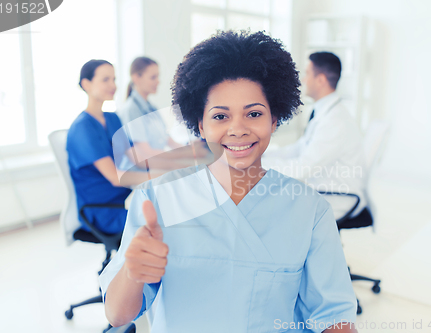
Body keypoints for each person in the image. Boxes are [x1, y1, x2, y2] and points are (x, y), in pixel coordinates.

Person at [100, 32, 358, 332]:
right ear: (200, 125)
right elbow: (117, 316)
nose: (237, 129)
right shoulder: (156, 200)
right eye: (220, 116)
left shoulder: (310, 212)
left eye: (254, 113)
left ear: (274, 119)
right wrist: (133, 272)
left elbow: (334, 318)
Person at [263, 51, 366, 220]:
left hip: (338, 196)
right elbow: (300, 148)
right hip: (324, 189)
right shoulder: (325, 112)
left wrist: (259, 165)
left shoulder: (335, 121)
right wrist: (264, 155)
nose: (303, 80)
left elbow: (302, 168)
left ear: (321, 80)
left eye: (307, 74)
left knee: (268, 209)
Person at [66, 59, 150, 235]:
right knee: (165, 223)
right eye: (105, 80)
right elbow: (115, 177)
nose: (113, 85)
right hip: (102, 212)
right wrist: (156, 177)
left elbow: (136, 156)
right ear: (86, 84)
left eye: (114, 79)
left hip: (123, 200)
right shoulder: (82, 128)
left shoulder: (112, 119)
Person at [117, 57, 208, 172]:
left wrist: (191, 151)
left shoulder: (151, 108)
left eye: (158, 76)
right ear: (136, 78)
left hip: (156, 167)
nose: (158, 81)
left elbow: (168, 141)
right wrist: (183, 156)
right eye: (153, 77)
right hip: (142, 172)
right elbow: (145, 152)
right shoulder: (131, 110)